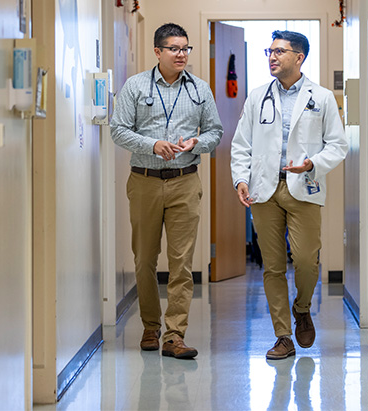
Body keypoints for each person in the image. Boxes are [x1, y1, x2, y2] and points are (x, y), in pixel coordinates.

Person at [230, 30, 348, 360]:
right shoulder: (256, 97)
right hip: (264, 189)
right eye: (270, 50)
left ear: (299, 57)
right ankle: (283, 335)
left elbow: (338, 145)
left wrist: (313, 162)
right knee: (273, 266)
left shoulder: (321, 97)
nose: (272, 56)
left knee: (308, 261)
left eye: (280, 51)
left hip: (303, 187)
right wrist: (240, 178)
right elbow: (241, 145)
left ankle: (303, 307)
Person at [111, 23, 223, 359]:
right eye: (174, 48)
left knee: (182, 263)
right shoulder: (135, 86)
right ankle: (150, 326)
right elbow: (118, 130)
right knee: (145, 259)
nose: (182, 55)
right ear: (158, 51)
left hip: (185, 181)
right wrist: (153, 144)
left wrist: (197, 143)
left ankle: (174, 335)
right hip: (144, 180)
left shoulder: (200, 89)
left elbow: (215, 131)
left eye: (186, 49)